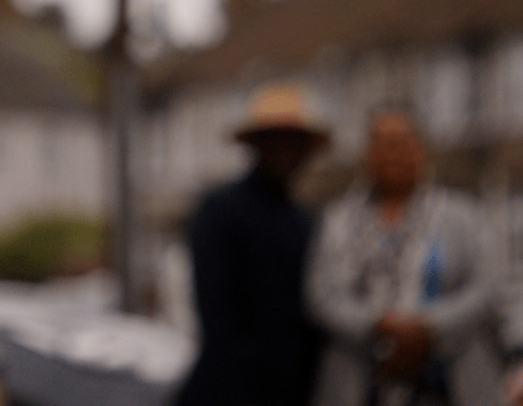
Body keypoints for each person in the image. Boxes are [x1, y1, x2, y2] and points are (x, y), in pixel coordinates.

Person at [306, 107, 501, 406]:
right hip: (360, 381)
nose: (392, 152)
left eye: (402, 142)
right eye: (381, 143)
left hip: (449, 379)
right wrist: (380, 324)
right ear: (367, 155)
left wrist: (427, 328)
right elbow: (321, 295)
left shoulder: (461, 215)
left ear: (421, 151)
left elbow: (485, 288)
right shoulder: (337, 220)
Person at [175, 85, 328, 406]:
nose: (284, 150)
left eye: (293, 141)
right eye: (274, 140)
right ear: (257, 145)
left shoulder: (306, 221)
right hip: (231, 391)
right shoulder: (220, 210)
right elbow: (217, 317)